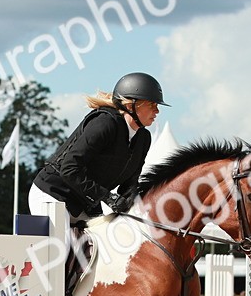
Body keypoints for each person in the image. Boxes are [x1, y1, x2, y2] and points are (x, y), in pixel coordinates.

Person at [29, 72, 166, 240]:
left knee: (107, 247)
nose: (157, 110)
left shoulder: (143, 139)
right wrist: (108, 197)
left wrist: (138, 203)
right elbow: (69, 168)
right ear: (131, 106)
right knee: (62, 248)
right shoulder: (104, 124)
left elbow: (128, 186)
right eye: (152, 104)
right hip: (53, 194)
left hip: (85, 204)